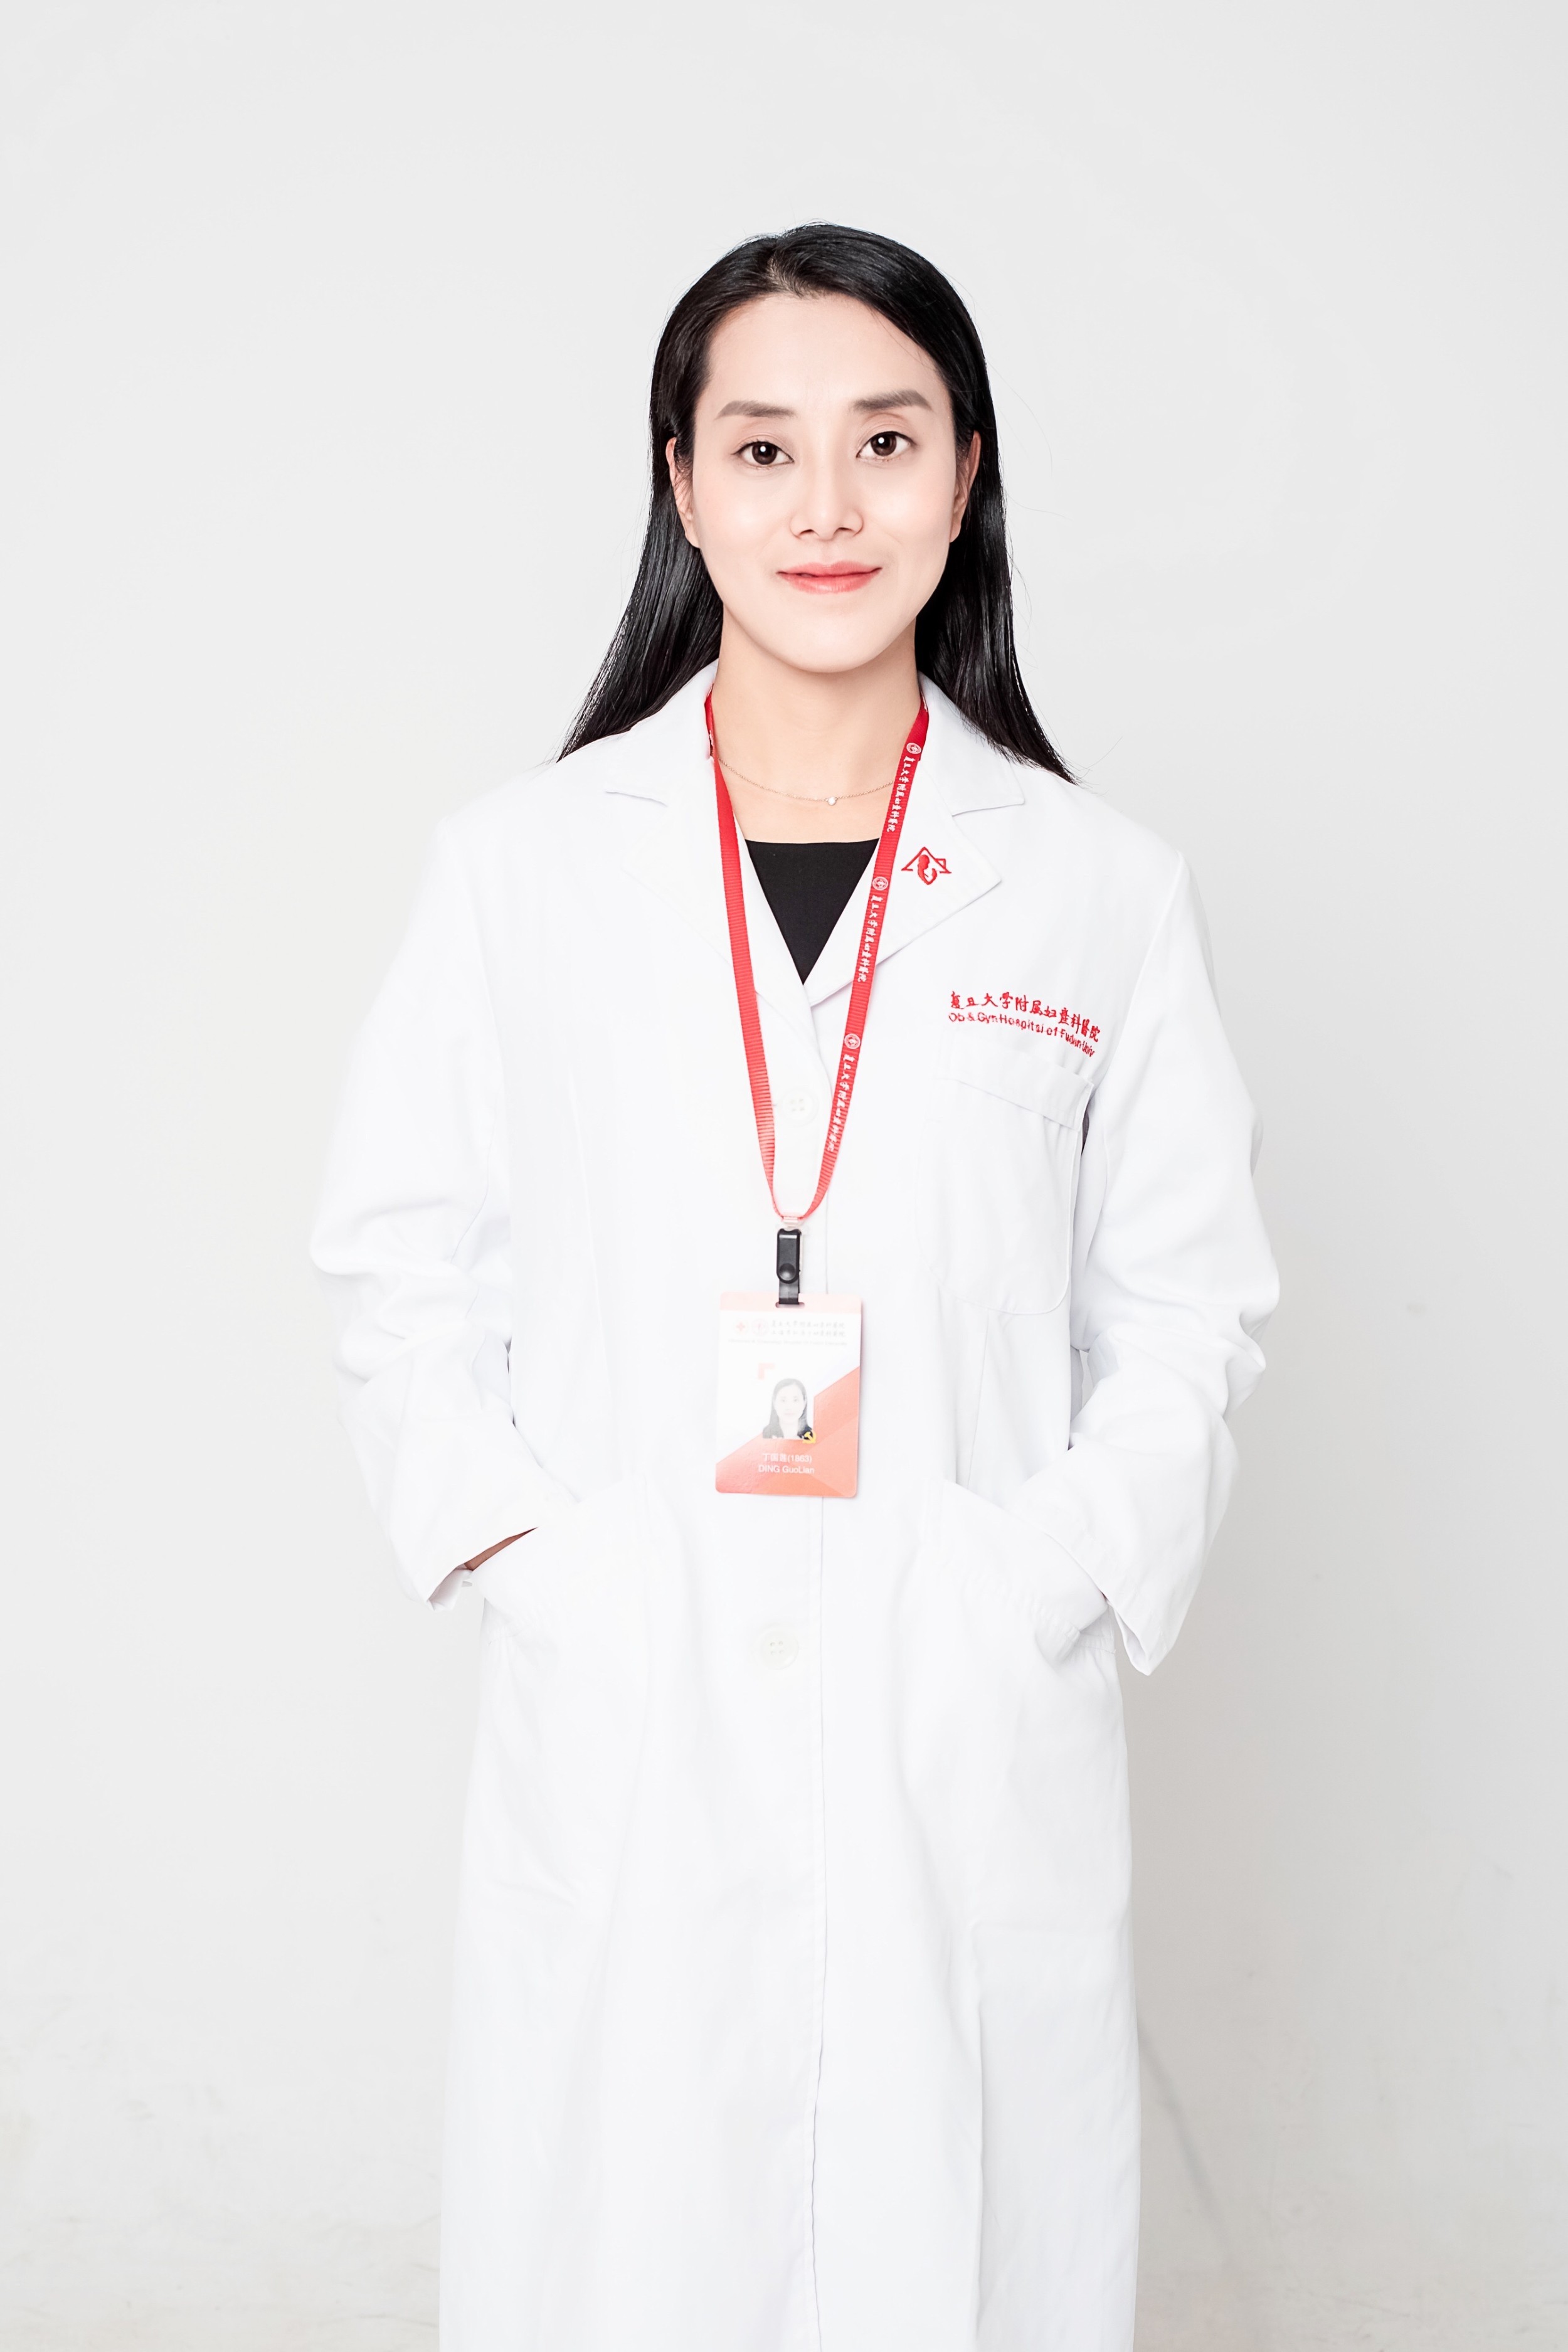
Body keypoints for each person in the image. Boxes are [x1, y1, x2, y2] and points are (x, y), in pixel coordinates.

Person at [312, 223, 1278, 2352]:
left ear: (966, 473)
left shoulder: (1094, 891)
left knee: (959, 2249)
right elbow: (397, 1263)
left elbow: (1187, 1310)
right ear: (681, 484)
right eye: (762, 447)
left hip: (957, 1701)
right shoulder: (524, 869)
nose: (824, 505)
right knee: (624, 2248)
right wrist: (541, 1560)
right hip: (637, 1680)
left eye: (885, 442)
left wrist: (1042, 1576)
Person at [762, 1377, 813, 1441]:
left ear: (804, 1402)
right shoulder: (763, 1437)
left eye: (795, 1400)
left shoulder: (814, 1437)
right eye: (783, 1400)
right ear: (774, 1403)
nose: (789, 1407)